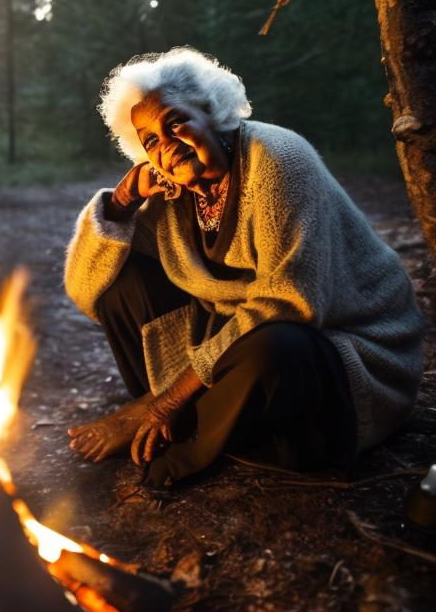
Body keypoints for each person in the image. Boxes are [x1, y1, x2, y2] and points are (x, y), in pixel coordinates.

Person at [64, 47, 424, 487]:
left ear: (212, 113)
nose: (168, 145)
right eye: (151, 141)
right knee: (123, 278)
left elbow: (291, 303)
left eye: (176, 122)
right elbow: (88, 292)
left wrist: (164, 400)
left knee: (277, 346)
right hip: (237, 341)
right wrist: (120, 205)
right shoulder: (172, 190)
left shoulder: (277, 159)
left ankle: (183, 432)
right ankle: (198, 417)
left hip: (346, 350)